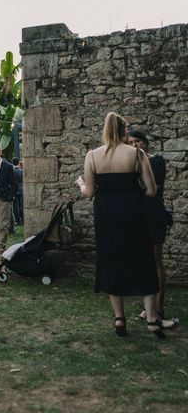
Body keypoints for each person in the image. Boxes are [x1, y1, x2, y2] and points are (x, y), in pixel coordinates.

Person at [76, 112, 163, 339]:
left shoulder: (93, 156)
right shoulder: (137, 154)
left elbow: (89, 192)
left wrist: (80, 184)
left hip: (106, 216)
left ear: (104, 130)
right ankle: (153, 321)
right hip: (133, 213)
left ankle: (119, 318)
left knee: (111, 261)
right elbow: (152, 190)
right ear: (125, 131)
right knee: (143, 261)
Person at [127, 130, 177, 329]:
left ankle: (160, 307)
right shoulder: (129, 164)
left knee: (156, 260)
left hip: (153, 215)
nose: (134, 145)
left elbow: (150, 187)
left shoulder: (156, 161)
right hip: (136, 217)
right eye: (130, 142)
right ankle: (148, 307)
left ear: (145, 143)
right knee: (142, 261)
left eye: (137, 141)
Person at [12, 157, 24, 226]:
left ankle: (18, 220)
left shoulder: (11, 171)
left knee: (15, 205)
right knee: (20, 205)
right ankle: (22, 219)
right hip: (21, 189)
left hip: (15, 189)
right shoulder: (21, 171)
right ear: (18, 162)